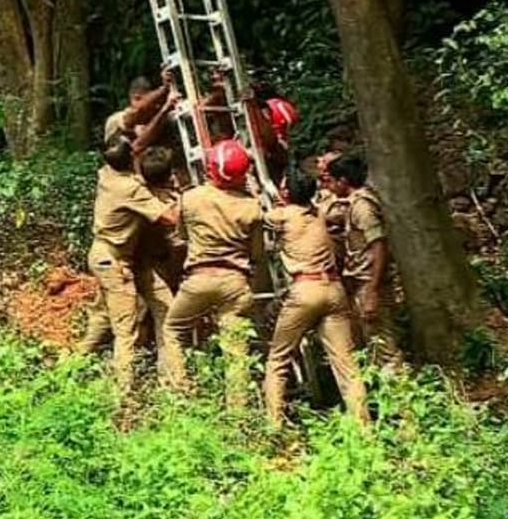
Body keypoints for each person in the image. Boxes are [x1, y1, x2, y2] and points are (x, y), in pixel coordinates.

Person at [261, 166, 370, 427]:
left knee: (278, 360)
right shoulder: (319, 212)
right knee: (347, 366)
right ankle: (364, 426)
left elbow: (257, 215)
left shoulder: (283, 215)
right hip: (333, 289)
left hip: (305, 289)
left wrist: (257, 192)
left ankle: (273, 426)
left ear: (286, 193)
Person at [161, 139, 263, 409]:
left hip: (199, 280)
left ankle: (179, 393)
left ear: (210, 169)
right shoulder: (252, 207)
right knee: (236, 350)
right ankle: (238, 412)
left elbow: (181, 236)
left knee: (173, 329)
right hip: (235, 283)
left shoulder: (191, 198)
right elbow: (257, 254)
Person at [83, 133, 179, 392]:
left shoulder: (107, 174)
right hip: (115, 262)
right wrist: (190, 199)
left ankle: (171, 379)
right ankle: (123, 395)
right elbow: (170, 218)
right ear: (131, 158)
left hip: (121, 258)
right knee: (126, 330)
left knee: (164, 309)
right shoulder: (131, 189)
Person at [327, 153, 404, 366]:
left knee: (384, 345)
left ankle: (395, 382)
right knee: (372, 342)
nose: (329, 187)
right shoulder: (355, 204)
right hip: (363, 282)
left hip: (369, 281)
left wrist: (372, 290)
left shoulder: (363, 208)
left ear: (343, 181)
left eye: (332, 181)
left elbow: (379, 245)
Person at [134, 145, 188, 385]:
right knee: (162, 318)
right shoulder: (165, 205)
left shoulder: (137, 194)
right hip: (152, 267)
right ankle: (170, 380)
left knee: (139, 321)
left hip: (145, 266)